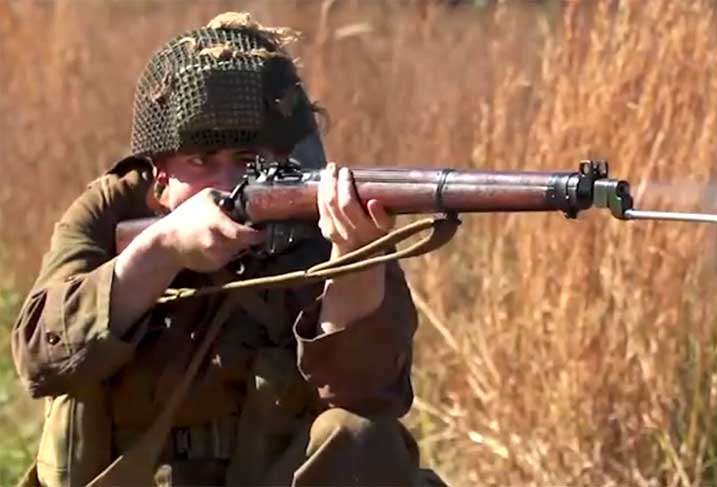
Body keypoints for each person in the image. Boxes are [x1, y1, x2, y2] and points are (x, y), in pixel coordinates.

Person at [12, 12, 442, 487]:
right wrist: (163, 248)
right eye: (201, 161)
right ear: (159, 172)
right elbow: (40, 356)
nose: (226, 183)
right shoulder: (112, 209)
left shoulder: (321, 213)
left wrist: (352, 257)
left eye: (248, 161)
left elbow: (369, 395)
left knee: (362, 436)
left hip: (272, 475)